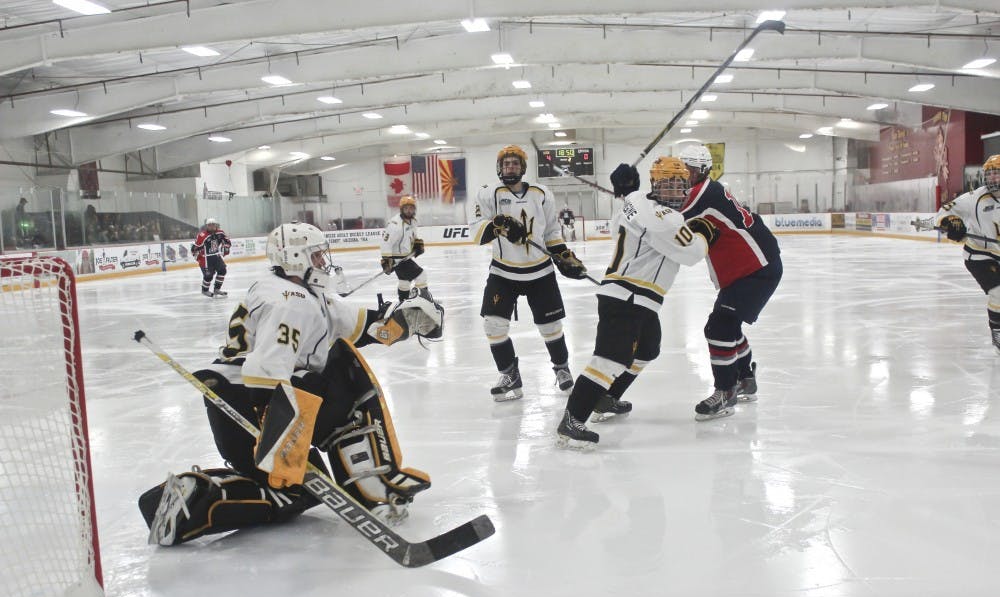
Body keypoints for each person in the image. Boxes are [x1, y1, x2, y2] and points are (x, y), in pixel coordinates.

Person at [139, 222, 444, 546]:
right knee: (345, 370)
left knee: (298, 494)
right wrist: (276, 439)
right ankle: (372, 481)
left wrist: (404, 324)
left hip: (236, 409)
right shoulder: (292, 300)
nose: (322, 262)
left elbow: (360, 325)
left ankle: (196, 500)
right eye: (315, 256)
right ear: (296, 257)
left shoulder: (293, 291)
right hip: (250, 408)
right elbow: (264, 373)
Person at [557, 157, 717, 448]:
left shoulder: (634, 200)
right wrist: (704, 233)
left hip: (639, 299)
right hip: (627, 296)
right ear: (655, 185)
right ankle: (572, 419)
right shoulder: (665, 219)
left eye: (679, 185)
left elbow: (630, 201)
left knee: (647, 349)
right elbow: (692, 254)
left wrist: (625, 189)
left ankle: (606, 398)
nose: (674, 192)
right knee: (609, 360)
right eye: (667, 185)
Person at [472, 144, 588, 401]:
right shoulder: (487, 194)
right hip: (503, 272)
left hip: (540, 271)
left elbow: (551, 232)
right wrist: (497, 225)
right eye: (505, 164)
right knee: (493, 324)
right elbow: (477, 230)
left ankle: (561, 368)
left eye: (514, 164)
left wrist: (563, 255)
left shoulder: (542, 193)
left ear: (523, 168)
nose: (509, 167)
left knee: (550, 326)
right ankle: (508, 373)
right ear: (499, 168)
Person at [676, 143, 783, 420]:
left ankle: (725, 391)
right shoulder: (703, 190)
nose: (683, 176)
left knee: (718, 328)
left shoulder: (702, 195)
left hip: (756, 267)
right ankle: (745, 378)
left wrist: (636, 199)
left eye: (688, 170)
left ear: (702, 171)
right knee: (728, 325)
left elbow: (672, 219)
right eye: (681, 170)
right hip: (746, 267)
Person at [936, 154, 1000, 353]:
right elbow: (944, 212)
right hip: (980, 255)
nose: (992, 179)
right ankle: (998, 334)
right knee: (999, 293)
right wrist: (952, 223)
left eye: (997, 174)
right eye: (989, 175)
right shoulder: (975, 198)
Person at [380, 195, 433, 303]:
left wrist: (416, 244)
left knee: (404, 282)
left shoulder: (412, 221)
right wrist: (386, 260)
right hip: (398, 260)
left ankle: (403, 301)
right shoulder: (395, 224)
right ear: (401, 209)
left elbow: (411, 236)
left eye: (411, 208)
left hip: (405, 258)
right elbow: (385, 242)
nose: (409, 211)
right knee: (421, 276)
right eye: (406, 208)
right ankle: (424, 301)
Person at [191, 217, 231, 297]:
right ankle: (205, 290)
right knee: (209, 275)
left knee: (222, 270)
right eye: (209, 225)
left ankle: (217, 289)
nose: (212, 227)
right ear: (206, 226)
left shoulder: (220, 233)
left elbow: (227, 242)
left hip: (216, 256)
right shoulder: (202, 236)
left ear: (216, 225)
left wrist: (226, 247)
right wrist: (196, 253)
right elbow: (194, 248)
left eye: (213, 225)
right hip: (205, 258)